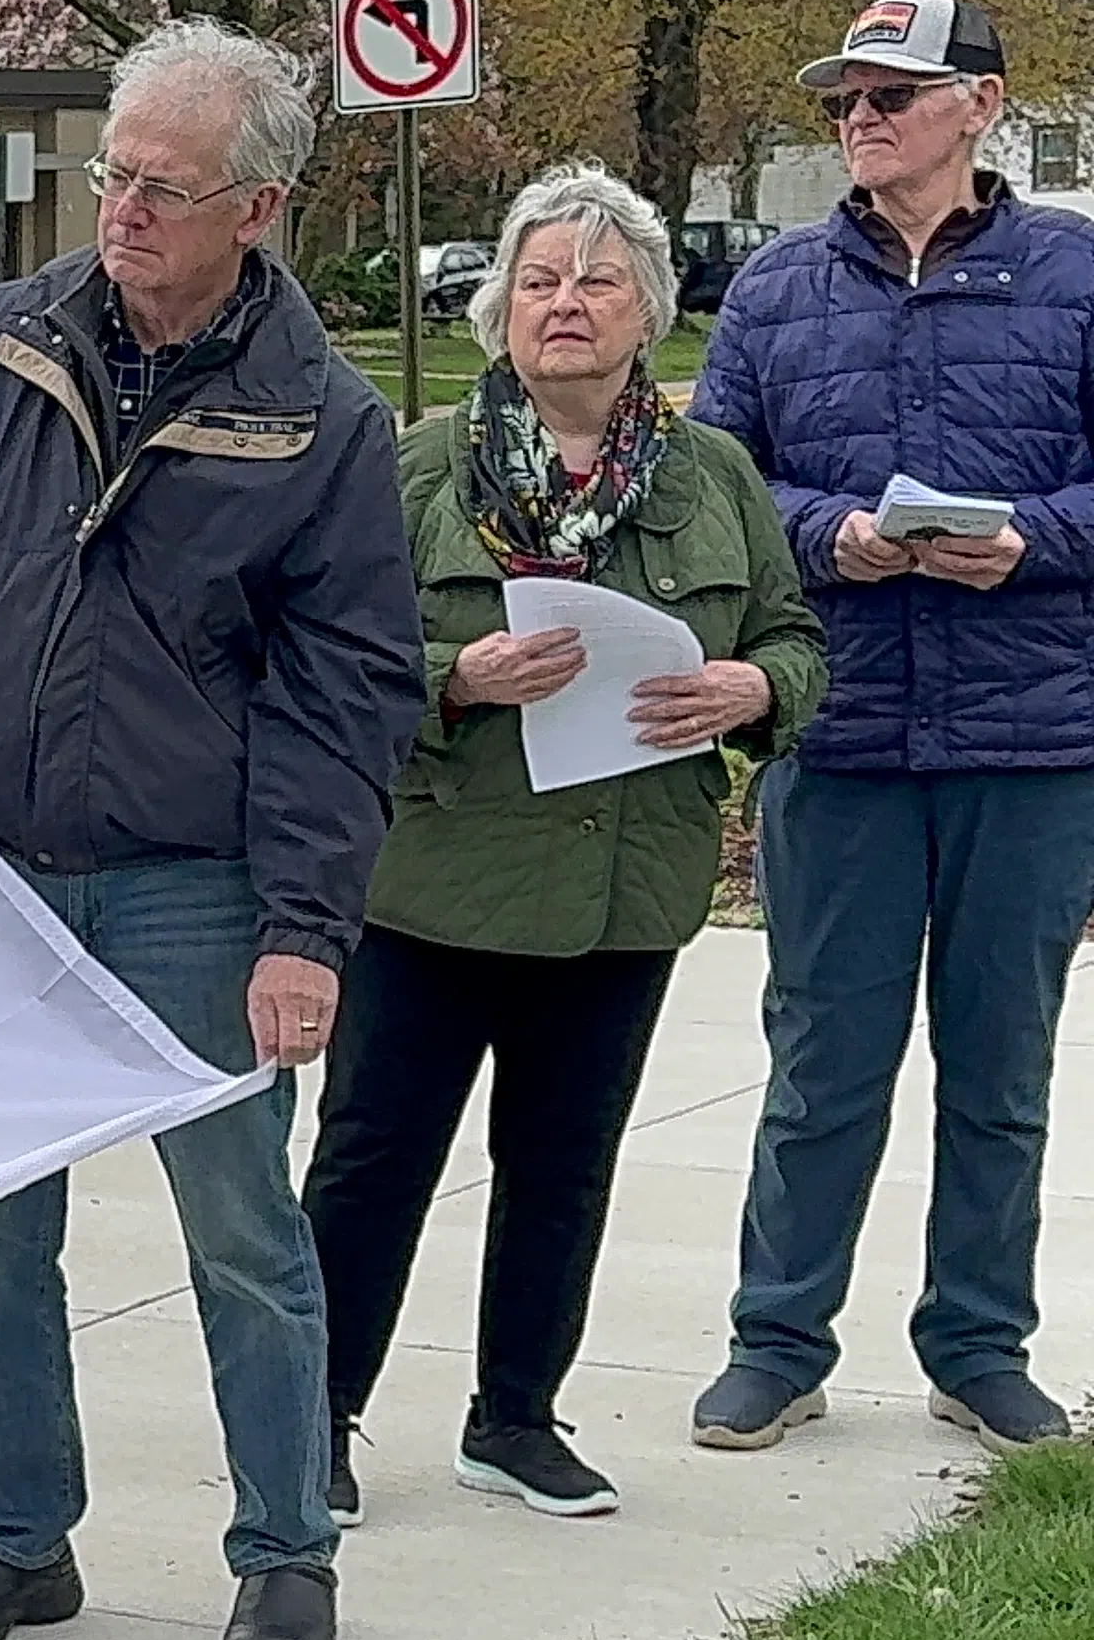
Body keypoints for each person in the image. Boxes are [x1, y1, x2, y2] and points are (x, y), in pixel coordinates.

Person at [0, 19, 424, 1640]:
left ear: (256, 207)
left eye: (164, 187)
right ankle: (15, 1541)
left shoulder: (315, 422)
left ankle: (285, 1552)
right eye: (110, 170)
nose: (120, 208)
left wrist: (303, 931)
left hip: (195, 894)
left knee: (241, 1237)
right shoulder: (1, 342)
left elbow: (351, 696)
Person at [302, 164, 828, 1526]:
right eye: (539, 280)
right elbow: (327, 659)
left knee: (563, 1167)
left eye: (596, 280)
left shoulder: (712, 475)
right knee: (372, 1162)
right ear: (499, 310)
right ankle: (313, 1418)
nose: (565, 304)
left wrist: (753, 690)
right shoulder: (419, 467)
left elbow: (794, 639)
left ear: (647, 308)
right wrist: (458, 673)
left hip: (621, 893)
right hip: (433, 886)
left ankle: (516, 1418)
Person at [687, 0, 1094, 1456]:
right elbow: (712, 491)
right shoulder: (778, 289)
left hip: (1031, 744)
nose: (861, 120)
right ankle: (776, 1341)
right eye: (845, 101)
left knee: (1003, 1072)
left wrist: (1034, 540)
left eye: (892, 96)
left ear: (981, 108)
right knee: (821, 1066)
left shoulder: (1078, 274)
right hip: (843, 737)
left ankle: (980, 1346)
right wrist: (828, 532)